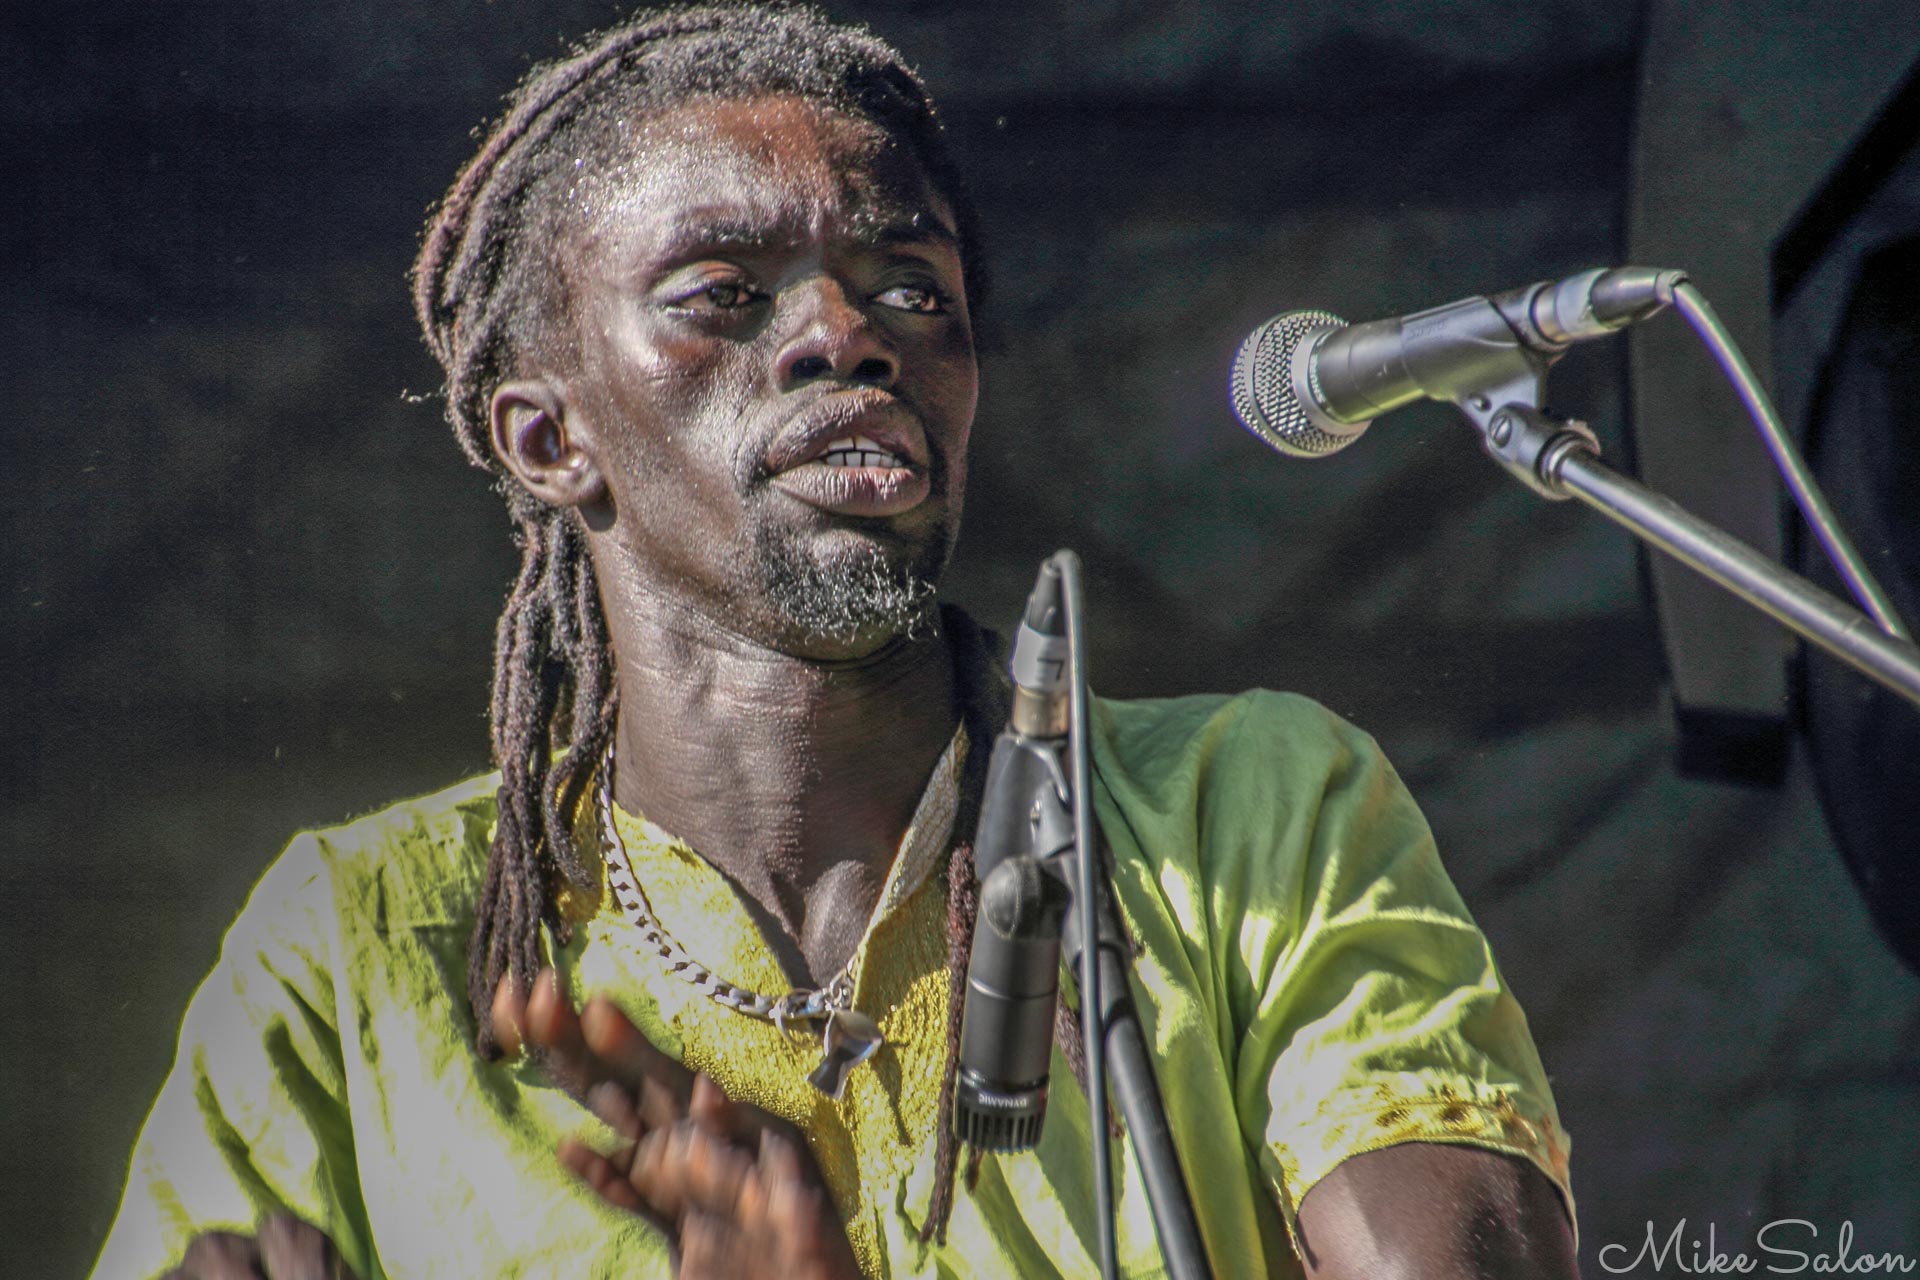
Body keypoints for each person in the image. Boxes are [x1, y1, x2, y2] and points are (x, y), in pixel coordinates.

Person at [94, 6, 1578, 1277]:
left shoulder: (1246, 810)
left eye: (910, 290)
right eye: (724, 298)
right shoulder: (361, 953)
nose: (843, 335)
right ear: (549, 437)